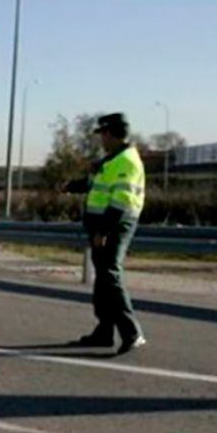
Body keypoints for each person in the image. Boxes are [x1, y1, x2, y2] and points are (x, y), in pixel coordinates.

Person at [63, 113, 147, 354]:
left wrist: (104, 230)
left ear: (110, 134)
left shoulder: (127, 162)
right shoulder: (111, 160)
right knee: (103, 275)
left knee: (109, 273)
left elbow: (121, 202)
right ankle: (104, 331)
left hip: (116, 225)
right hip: (104, 225)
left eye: (102, 135)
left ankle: (132, 332)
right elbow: (94, 184)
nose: (101, 140)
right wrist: (72, 186)